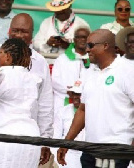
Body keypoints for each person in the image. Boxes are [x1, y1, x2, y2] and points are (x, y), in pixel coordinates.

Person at [0, 13, 53, 166]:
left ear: (32, 33)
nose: (19, 35)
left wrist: (46, 140)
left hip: (15, 138)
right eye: (15, 30)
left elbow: (45, 106)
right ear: (9, 30)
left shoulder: (40, 62)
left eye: (24, 31)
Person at [57, 29, 134, 168]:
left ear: (105, 46)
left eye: (90, 45)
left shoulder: (127, 70)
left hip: (115, 149)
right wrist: (67, 142)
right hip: (90, 148)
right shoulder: (90, 73)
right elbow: (82, 110)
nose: (86, 49)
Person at [52, 27, 91, 117]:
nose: (82, 40)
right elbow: (55, 81)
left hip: (86, 102)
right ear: (74, 40)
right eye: (79, 37)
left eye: (85, 37)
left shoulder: (93, 59)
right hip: (64, 100)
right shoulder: (62, 59)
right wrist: (69, 91)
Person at [53, 80, 85, 168]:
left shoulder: (93, 112)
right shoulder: (63, 111)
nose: (75, 97)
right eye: (73, 94)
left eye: (78, 94)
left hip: (85, 153)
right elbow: (56, 136)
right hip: (67, 153)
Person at [115, 26, 134, 168]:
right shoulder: (116, 65)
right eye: (131, 42)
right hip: (120, 133)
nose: (133, 45)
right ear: (125, 44)